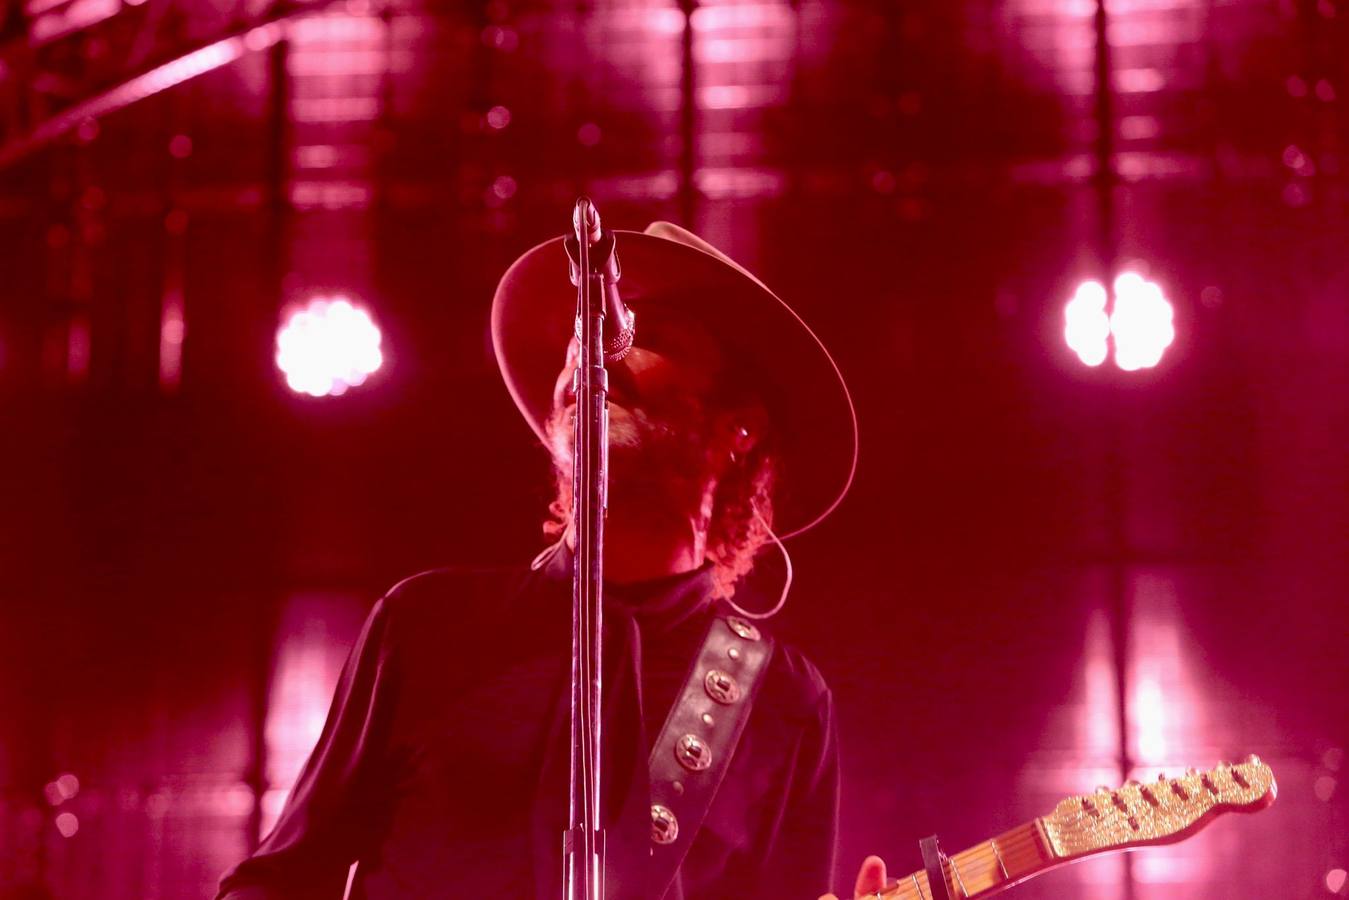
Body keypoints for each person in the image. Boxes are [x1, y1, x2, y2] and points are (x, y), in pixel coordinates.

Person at [216, 221, 867, 899]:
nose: (598, 359)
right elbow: (277, 881)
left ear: (741, 425)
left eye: (649, 340)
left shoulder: (784, 700)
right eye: (581, 345)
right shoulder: (429, 624)